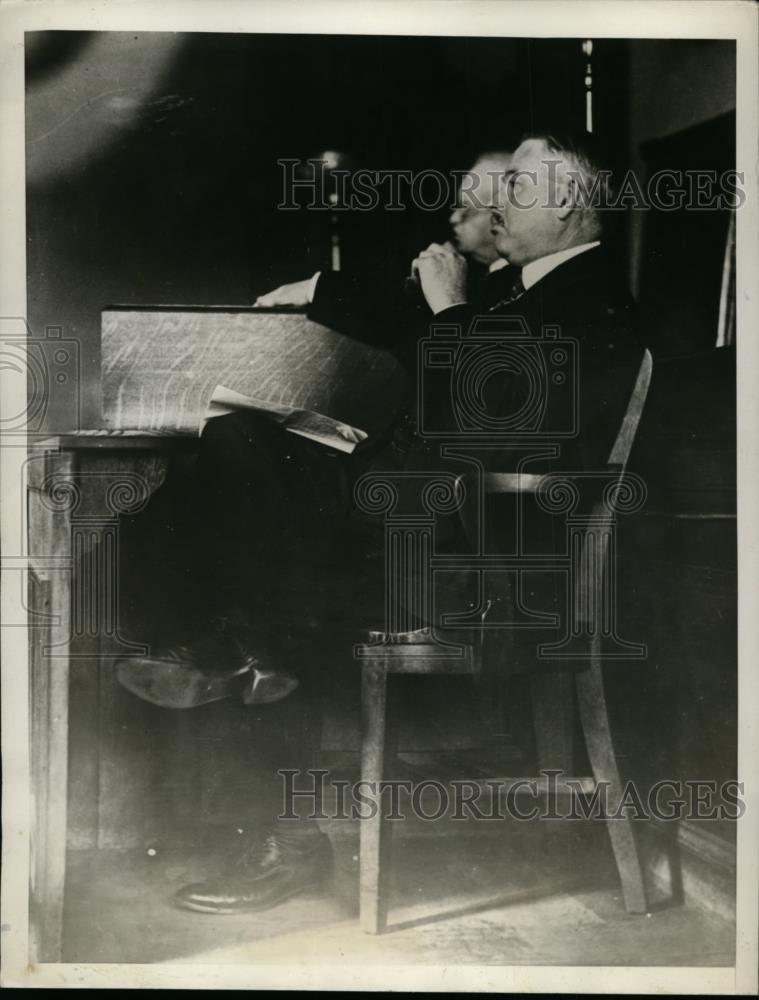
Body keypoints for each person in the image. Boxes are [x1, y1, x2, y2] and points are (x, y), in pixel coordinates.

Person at [117, 132, 644, 915]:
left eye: (518, 187)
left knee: (253, 532)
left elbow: (488, 424)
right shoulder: (528, 289)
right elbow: (415, 334)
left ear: (566, 205)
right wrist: (327, 293)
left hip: (476, 573)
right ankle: (231, 650)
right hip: (421, 535)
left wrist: (450, 307)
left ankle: (228, 668)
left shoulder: (591, 299)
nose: (497, 203)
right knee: (235, 450)